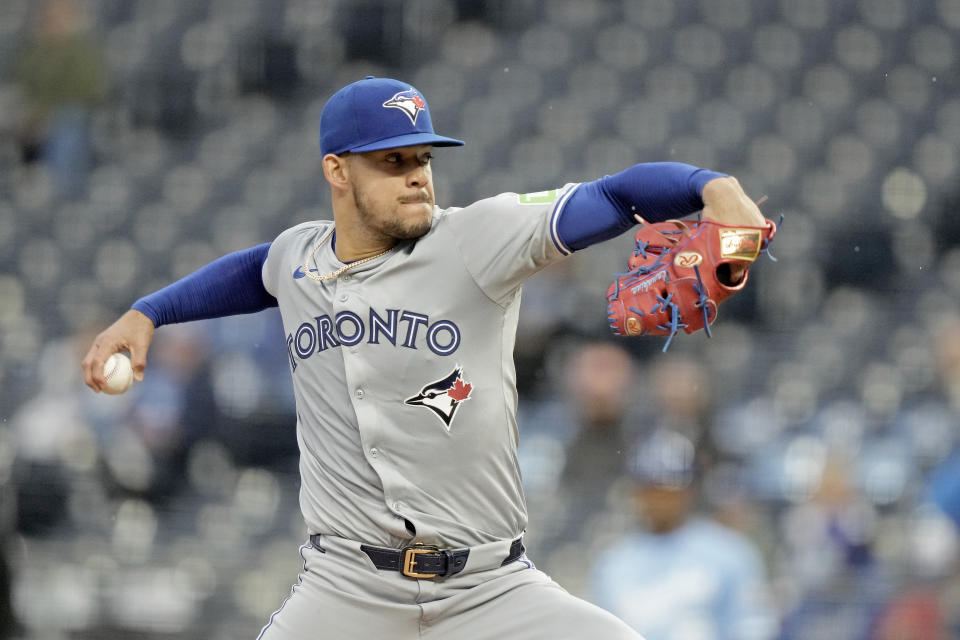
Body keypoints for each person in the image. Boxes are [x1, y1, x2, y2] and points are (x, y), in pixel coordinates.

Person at [81, 76, 767, 639]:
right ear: (337, 171)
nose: (417, 178)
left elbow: (613, 196)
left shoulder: (478, 238)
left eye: (423, 159)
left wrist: (712, 186)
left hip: (490, 591)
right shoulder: (299, 255)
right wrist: (150, 313)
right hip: (345, 591)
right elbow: (253, 270)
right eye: (392, 161)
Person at [590, 429, 777, 640]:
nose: (660, 499)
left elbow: (752, 628)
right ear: (637, 492)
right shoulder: (614, 562)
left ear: (689, 490)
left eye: (669, 489)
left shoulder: (730, 552)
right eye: (651, 488)